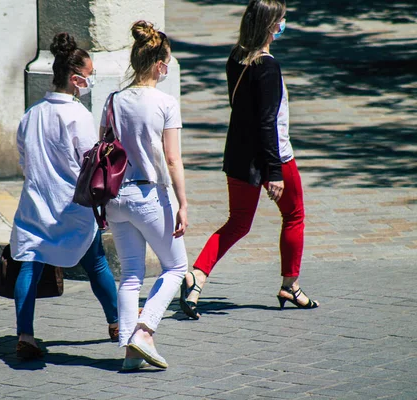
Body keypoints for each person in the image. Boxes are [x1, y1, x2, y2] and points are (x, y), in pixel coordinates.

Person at [180, 0, 319, 320]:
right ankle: (290, 285)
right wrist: (274, 172)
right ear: (271, 26)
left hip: (239, 154)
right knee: (294, 215)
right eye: (282, 20)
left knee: (238, 223)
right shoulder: (268, 67)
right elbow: (267, 121)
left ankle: (197, 277)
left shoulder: (236, 58)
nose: (284, 25)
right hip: (275, 156)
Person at [10, 32, 119, 360]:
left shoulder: (31, 114)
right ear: (75, 79)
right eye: (89, 75)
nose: (91, 80)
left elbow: (22, 159)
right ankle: (118, 323)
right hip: (72, 207)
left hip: (35, 204)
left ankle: (25, 335)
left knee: (29, 263)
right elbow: (92, 164)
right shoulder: (78, 116)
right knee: (96, 261)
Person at [102, 20, 188, 371]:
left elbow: (104, 149)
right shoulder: (165, 102)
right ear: (159, 64)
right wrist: (183, 203)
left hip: (115, 196)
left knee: (131, 275)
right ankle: (145, 330)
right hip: (149, 195)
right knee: (177, 267)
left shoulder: (113, 100)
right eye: (167, 62)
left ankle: (129, 353)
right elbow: (172, 159)